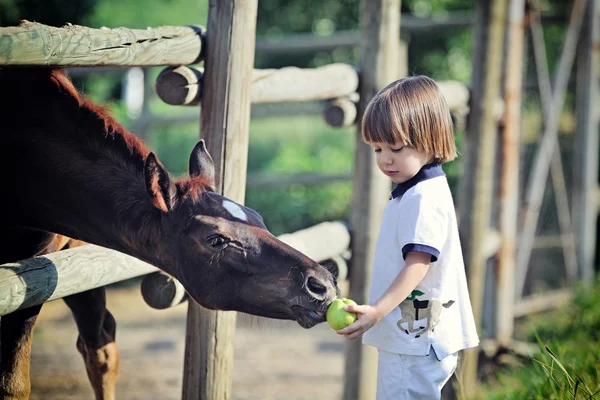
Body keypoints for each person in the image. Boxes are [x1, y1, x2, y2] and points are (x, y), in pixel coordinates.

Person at [337, 76, 479, 399]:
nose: (385, 158)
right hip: (420, 338)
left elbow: (417, 266)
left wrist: (377, 311)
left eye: (396, 148)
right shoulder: (420, 189)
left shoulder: (422, 198)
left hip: (413, 342)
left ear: (429, 138)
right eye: (377, 148)